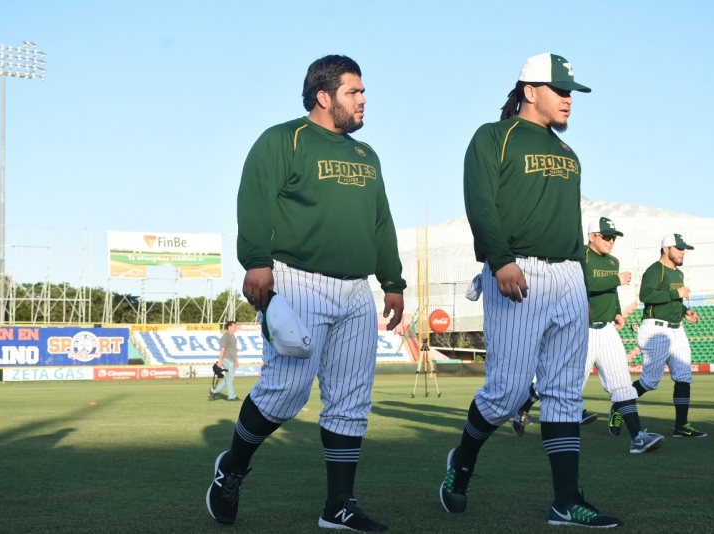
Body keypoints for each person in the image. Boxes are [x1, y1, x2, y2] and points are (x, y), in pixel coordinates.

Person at [206, 55, 405, 532]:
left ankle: (339, 505)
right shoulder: (283, 139)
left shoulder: (366, 155)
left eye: (362, 91)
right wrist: (256, 261)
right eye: (353, 92)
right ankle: (232, 468)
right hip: (297, 279)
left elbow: (381, 221)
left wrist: (393, 281)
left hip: (356, 289)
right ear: (323, 96)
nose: (363, 99)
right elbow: (254, 199)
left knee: (351, 399)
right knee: (285, 391)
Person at [441, 52, 622, 528]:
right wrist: (499, 259)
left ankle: (566, 501)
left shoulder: (568, 153)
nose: (568, 99)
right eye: (559, 90)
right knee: (507, 392)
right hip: (517, 270)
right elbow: (480, 203)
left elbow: (566, 224)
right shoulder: (493, 137)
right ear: (529, 90)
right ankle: (462, 463)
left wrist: (580, 280)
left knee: (564, 393)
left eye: (571, 92)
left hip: (568, 277)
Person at [580, 217, 664, 452]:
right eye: (606, 236)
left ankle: (638, 438)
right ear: (591, 236)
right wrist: (615, 279)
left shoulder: (613, 261)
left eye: (614, 237)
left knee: (623, 384)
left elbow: (611, 291)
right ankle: (536, 417)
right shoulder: (580, 255)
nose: (611, 240)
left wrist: (617, 311)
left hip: (606, 329)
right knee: (569, 386)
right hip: (581, 330)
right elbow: (583, 283)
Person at [633, 234, 707, 438]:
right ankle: (620, 404)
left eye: (684, 249)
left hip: (677, 328)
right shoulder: (655, 270)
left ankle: (681, 426)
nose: (683, 252)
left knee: (684, 377)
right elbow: (645, 295)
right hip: (656, 328)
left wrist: (685, 311)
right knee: (649, 381)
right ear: (666, 249)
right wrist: (677, 293)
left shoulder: (678, 273)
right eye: (679, 248)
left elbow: (673, 301)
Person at [209, 321, 241, 401]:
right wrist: (220, 361)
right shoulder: (225, 336)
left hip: (233, 360)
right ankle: (232, 396)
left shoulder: (233, 337)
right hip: (227, 359)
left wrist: (237, 360)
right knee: (229, 379)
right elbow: (223, 348)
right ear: (229, 327)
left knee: (229, 379)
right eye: (234, 326)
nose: (235, 328)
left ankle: (213, 391)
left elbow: (234, 349)